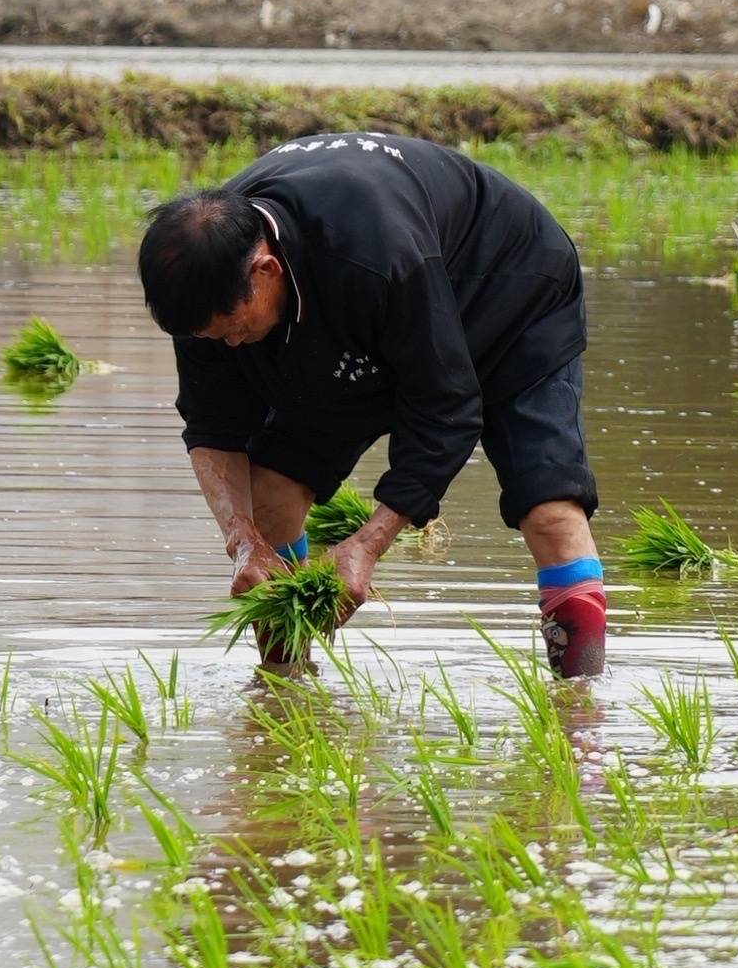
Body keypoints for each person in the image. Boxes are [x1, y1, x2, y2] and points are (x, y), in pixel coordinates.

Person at [136, 130, 606, 678]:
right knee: (271, 492)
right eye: (210, 337)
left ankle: (581, 711)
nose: (228, 345)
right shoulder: (203, 282)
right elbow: (212, 425)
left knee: (548, 509)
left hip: (508, 291)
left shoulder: (377, 255)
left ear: (266, 271)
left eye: (233, 330)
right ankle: (284, 697)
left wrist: (366, 544)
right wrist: (243, 542)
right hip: (358, 314)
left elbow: (446, 408)